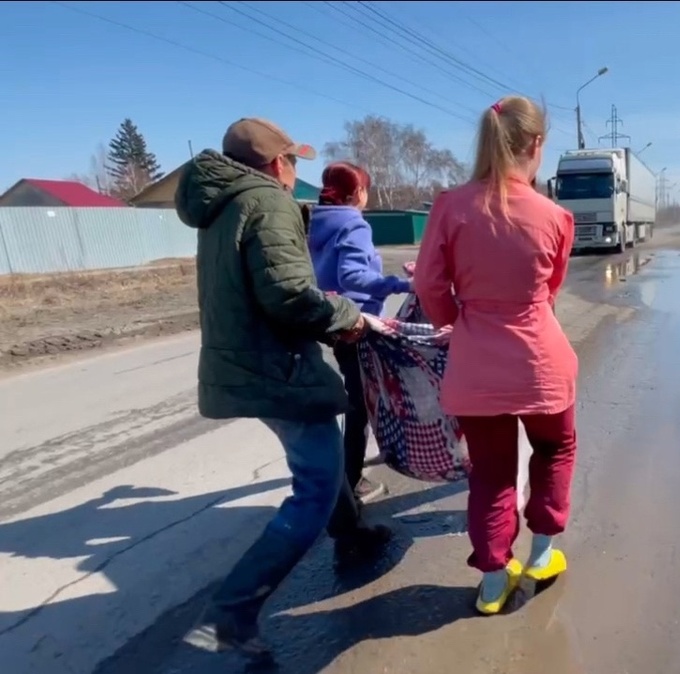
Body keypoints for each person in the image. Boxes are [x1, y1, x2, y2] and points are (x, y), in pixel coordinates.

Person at [174, 117, 394, 663]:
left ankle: (352, 530)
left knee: (321, 458)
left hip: (249, 360)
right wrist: (354, 318)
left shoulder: (221, 205)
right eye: (293, 161)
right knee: (314, 488)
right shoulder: (268, 202)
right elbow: (292, 294)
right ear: (277, 164)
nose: (297, 173)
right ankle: (229, 616)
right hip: (277, 367)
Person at [413, 96, 578, 615]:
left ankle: (491, 581)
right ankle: (543, 554)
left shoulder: (449, 205)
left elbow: (428, 283)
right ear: (535, 144)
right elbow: (549, 291)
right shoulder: (555, 216)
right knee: (555, 449)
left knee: (490, 471)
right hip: (541, 362)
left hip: (475, 364)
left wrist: (454, 322)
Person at [308, 161, 411, 505]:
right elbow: (352, 275)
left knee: (361, 396)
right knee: (361, 402)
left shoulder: (317, 222)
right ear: (358, 192)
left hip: (331, 320)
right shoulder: (354, 223)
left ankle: (358, 466)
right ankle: (350, 482)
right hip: (357, 322)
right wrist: (399, 284)